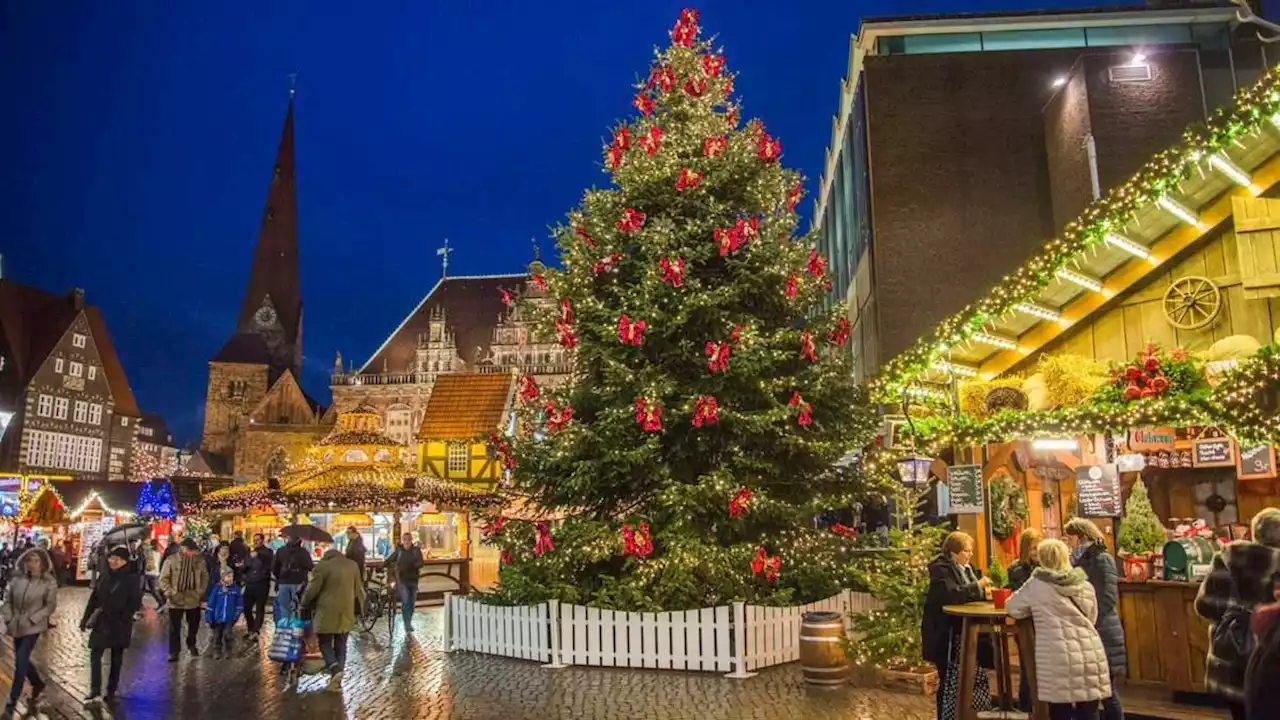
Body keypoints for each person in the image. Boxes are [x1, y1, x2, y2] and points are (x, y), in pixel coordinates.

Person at [1007, 538, 1112, 720]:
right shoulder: (1084, 584)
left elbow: (1013, 607)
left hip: (1057, 656)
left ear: (1042, 559)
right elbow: (1092, 617)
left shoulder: (1036, 585)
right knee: (1088, 711)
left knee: (1060, 711)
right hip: (1089, 653)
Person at [1195, 508, 1280, 720]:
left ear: (1254, 533)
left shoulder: (1226, 559)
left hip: (1229, 664)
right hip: (1270, 665)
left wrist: (1235, 613)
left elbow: (1204, 606)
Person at [922, 530, 991, 720]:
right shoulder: (941, 570)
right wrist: (977, 586)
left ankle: (964, 713)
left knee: (966, 677)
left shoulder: (968, 569)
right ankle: (946, 715)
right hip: (945, 633)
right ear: (953, 552)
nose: (970, 555)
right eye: (966, 551)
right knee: (947, 679)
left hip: (963, 631)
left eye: (970, 551)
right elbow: (952, 594)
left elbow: (971, 595)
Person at [1064, 518, 1125, 720]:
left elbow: (1107, 598)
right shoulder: (1081, 559)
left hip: (1103, 630)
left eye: (1069, 538)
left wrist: (1087, 617)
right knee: (1091, 694)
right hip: (1089, 631)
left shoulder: (1102, 559)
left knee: (1106, 691)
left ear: (1080, 537)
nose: (1068, 543)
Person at [81, 547, 141, 705]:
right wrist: (85, 618)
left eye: (118, 559)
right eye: (112, 558)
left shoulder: (132, 579)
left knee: (116, 658)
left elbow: (134, 602)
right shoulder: (104, 576)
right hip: (102, 621)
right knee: (95, 653)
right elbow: (94, 599)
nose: (113, 562)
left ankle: (111, 690)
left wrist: (124, 617)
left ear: (125, 562)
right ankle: (95, 688)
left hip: (119, 623)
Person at [1, 547, 57, 715]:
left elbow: (50, 606)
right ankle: (37, 682)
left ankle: (12, 700)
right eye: (29, 560)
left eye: (36, 561)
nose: (32, 564)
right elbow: (7, 599)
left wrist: (33, 619)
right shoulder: (17, 579)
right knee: (22, 658)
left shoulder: (48, 582)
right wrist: (10, 618)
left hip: (33, 626)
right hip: (16, 625)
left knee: (20, 662)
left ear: (43, 563)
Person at [301, 547, 365, 691]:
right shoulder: (352, 565)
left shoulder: (322, 567)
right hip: (346, 610)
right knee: (341, 643)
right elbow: (358, 589)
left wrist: (304, 602)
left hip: (326, 611)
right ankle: (337, 680)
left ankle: (335, 669)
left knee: (324, 642)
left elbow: (313, 589)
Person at [1007, 527, 1044, 710]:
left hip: (1045, 626)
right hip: (1025, 626)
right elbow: (1020, 597)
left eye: (1039, 547)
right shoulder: (1016, 569)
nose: (1036, 552)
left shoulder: (1046, 567)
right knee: (1027, 669)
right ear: (1024, 549)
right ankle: (1026, 708)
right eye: (1032, 548)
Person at [158, 538, 209, 662]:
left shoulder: (199, 561)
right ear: (184, 548)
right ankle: (174, 651)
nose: (193, 553)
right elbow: (164, 578)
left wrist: (200, 592)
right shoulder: (171, 560)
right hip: (176, 598)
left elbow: (204, 576)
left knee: (193, 625)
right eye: (191, 551)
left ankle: (191, 643)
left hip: (193, 598)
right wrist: (169, 592)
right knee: (174, 628)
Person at [386, 532, 424, 632]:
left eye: (408, 539)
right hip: (402, 580)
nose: (406, 541)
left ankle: (409, 621)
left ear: (411, 540)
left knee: (411, 603)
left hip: (413, 580)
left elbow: (421, 563)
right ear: (402, 540)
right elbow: (390, 559)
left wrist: (413, 565)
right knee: (406, 601)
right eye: (405, 539)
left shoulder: (416, 550)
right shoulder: (399, 550)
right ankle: (407, 624)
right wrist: (381, 565)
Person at [272, 535, 313, 622]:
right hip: (298, 583)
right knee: (297, 608)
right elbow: (310, 566)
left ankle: (286, 629)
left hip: (283, 583)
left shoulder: (281, 550)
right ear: (299, 540)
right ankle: (295, 631)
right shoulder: (303, 552)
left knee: (284, 609)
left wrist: (280, 577)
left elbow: (274, 568)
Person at [205, 569, 244, 658]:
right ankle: (216, 651)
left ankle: (228, 650)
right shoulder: (216, 589)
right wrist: (209, 617)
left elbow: (239, 604)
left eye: (231, 576)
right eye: (227, 576)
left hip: (230, 618)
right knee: (217, 635)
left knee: (228, 635)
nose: (230, 578)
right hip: (217, 618)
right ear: (222, 577)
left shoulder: (235, 589)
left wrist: (237, 614)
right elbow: (211, 604)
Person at [242, 533, 274, 640]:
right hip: (250, 583)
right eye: (254, 539)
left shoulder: (268, 552)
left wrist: (258, 556)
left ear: (262, 540)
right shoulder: (250, 552)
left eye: (258, 540)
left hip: (262, 583)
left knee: (260, 608)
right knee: (246, 607)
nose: (255, 541)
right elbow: (246, 567)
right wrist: (242, 567)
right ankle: (251, 629)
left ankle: (256, 631)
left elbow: (269, 562)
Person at [142, 540, 165, 610]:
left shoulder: (148, 550)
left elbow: (144, 557)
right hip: (155, 573)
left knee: (143, 589)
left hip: (147, 573)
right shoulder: (159, 552)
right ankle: (161, 603)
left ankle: (161, 603)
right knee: (153, 590)